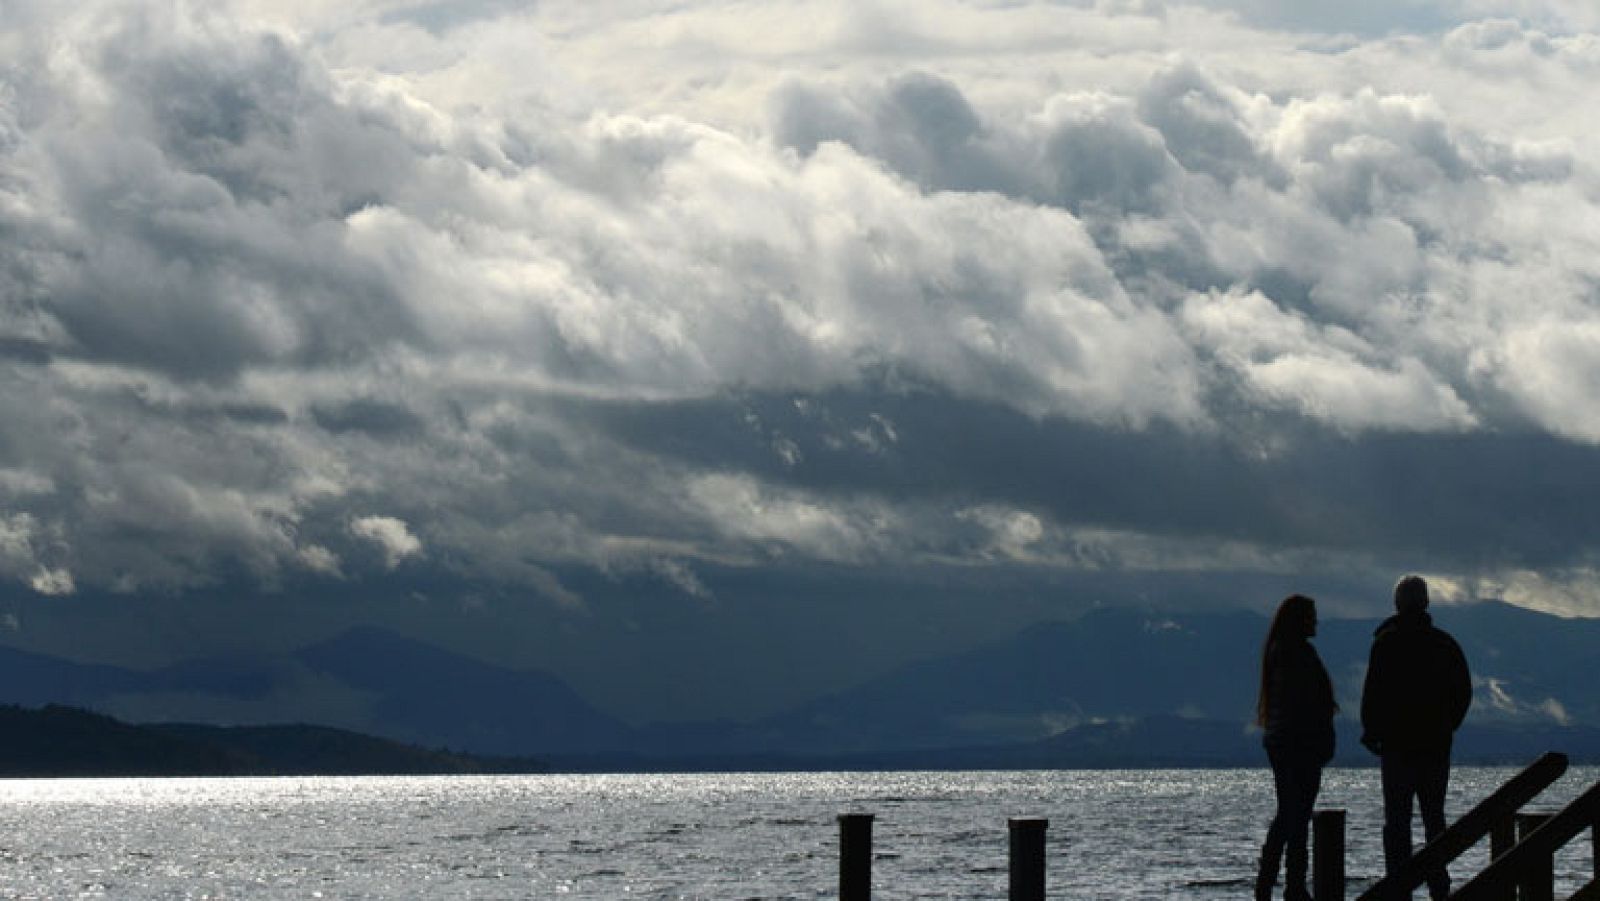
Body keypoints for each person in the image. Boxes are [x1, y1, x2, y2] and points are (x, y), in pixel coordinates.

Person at [1360, 575, 1472, 900]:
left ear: (1397, 604)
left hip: (1396, 746)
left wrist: (1372, 732)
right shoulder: (1444, 644)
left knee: (1397, 821)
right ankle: (1439, 885)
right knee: (1434, 818)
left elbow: (1373, 694)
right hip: (1435, 745)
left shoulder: (1385, 643)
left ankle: (1399, 885)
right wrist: (1448, 725)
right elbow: (1462, 692)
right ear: (1426, 603)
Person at [1255, 594, 1337, 901]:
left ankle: (1280, 884)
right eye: (1311, 616)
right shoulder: (1296, 655)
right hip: (1297, 747)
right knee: (1294, 814)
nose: (1316, 622)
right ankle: (1288, 885)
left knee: (1292, 814)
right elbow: (1306, 705)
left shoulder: (1281, 653)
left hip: (1286, 745)